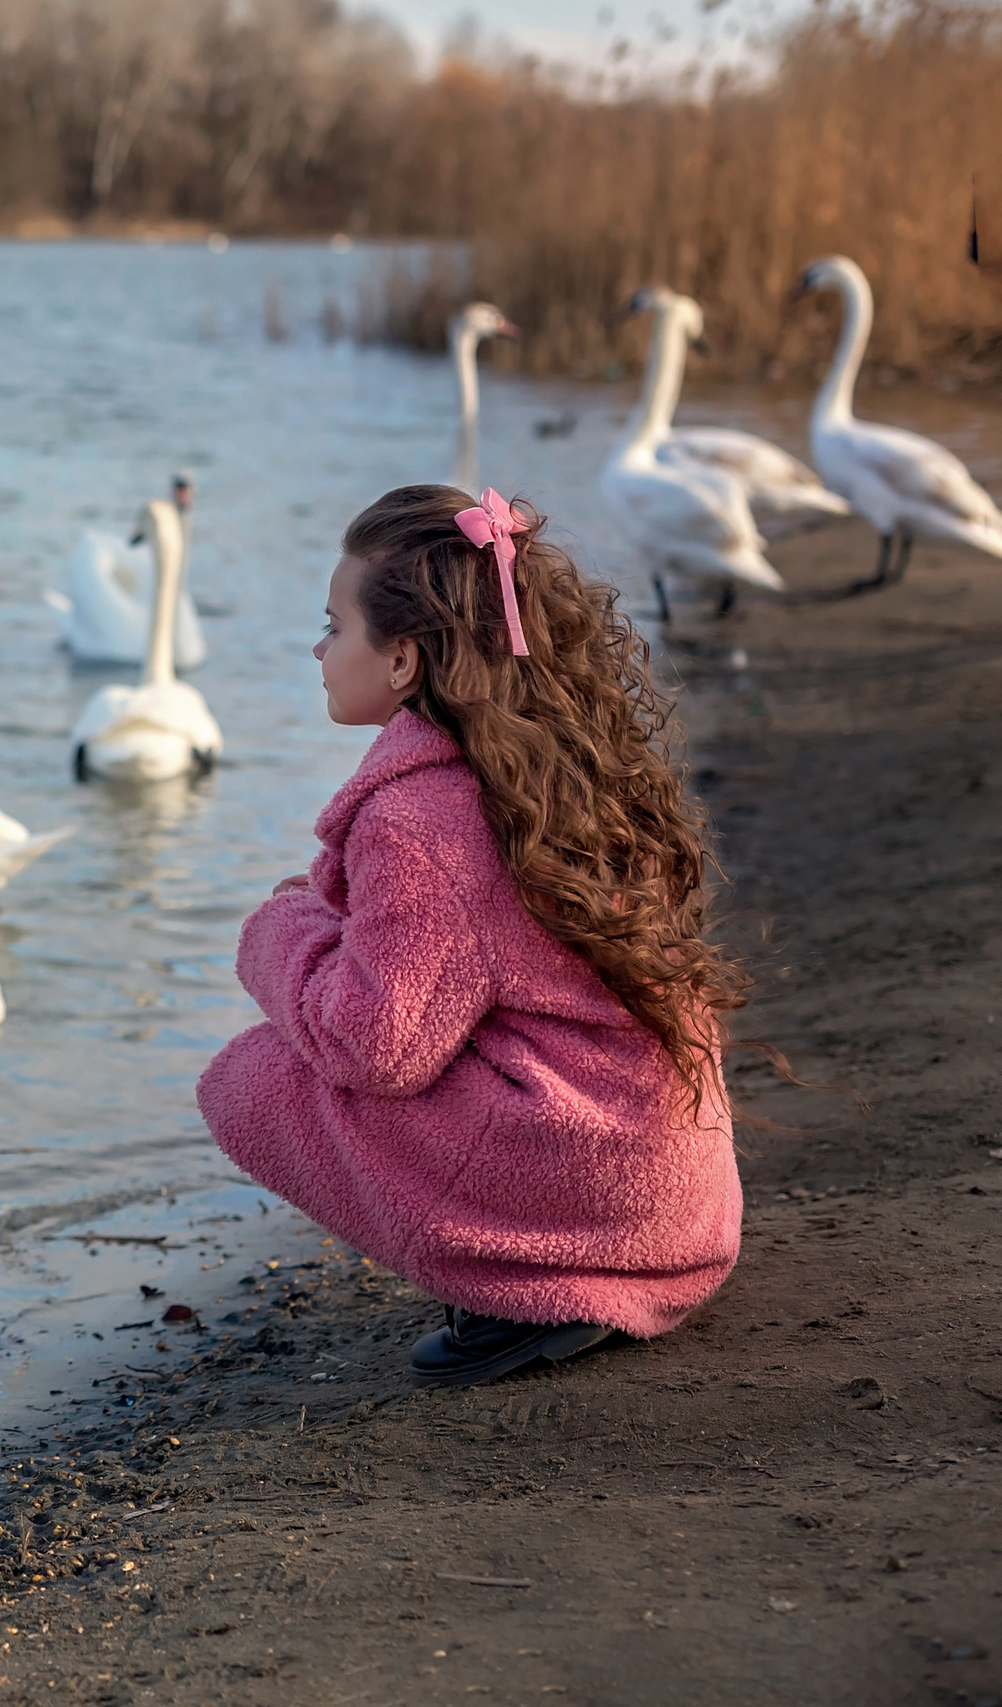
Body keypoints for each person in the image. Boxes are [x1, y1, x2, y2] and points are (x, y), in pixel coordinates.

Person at [198, 485, 744, 1387]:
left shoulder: (417, 818)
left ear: (402, 658)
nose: (318, 649)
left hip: (606, 1203)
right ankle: (549, 1257)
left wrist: (276, 930)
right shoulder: (554, 764)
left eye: (334, 626)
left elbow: (375, 1045)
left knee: (254, 1077)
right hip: (677, 1198)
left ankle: (525, 1286)